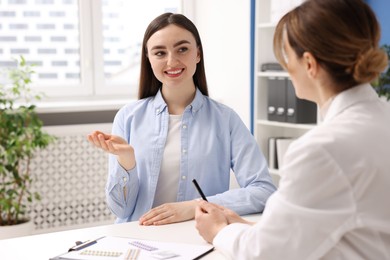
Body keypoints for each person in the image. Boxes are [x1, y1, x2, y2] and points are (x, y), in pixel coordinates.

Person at [194, 0, 390, 259]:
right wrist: (248, 228)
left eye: (287, 57)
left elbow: (265, 254)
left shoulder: (322, 149)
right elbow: (343, 227)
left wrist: (217, 231)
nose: (286, 68)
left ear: (309, 63)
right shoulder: (381, 118)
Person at [87, 13, 276, 226]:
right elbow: (121, 210)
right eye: (160, 52)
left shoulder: (226, 120)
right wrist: (127, 162)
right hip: (139, 239)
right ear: (148, 59)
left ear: (198, 54)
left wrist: (194, 206)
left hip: (199, 237)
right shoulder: (127, 117)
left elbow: (264, 191)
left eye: (182, 49)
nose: (172, 61)